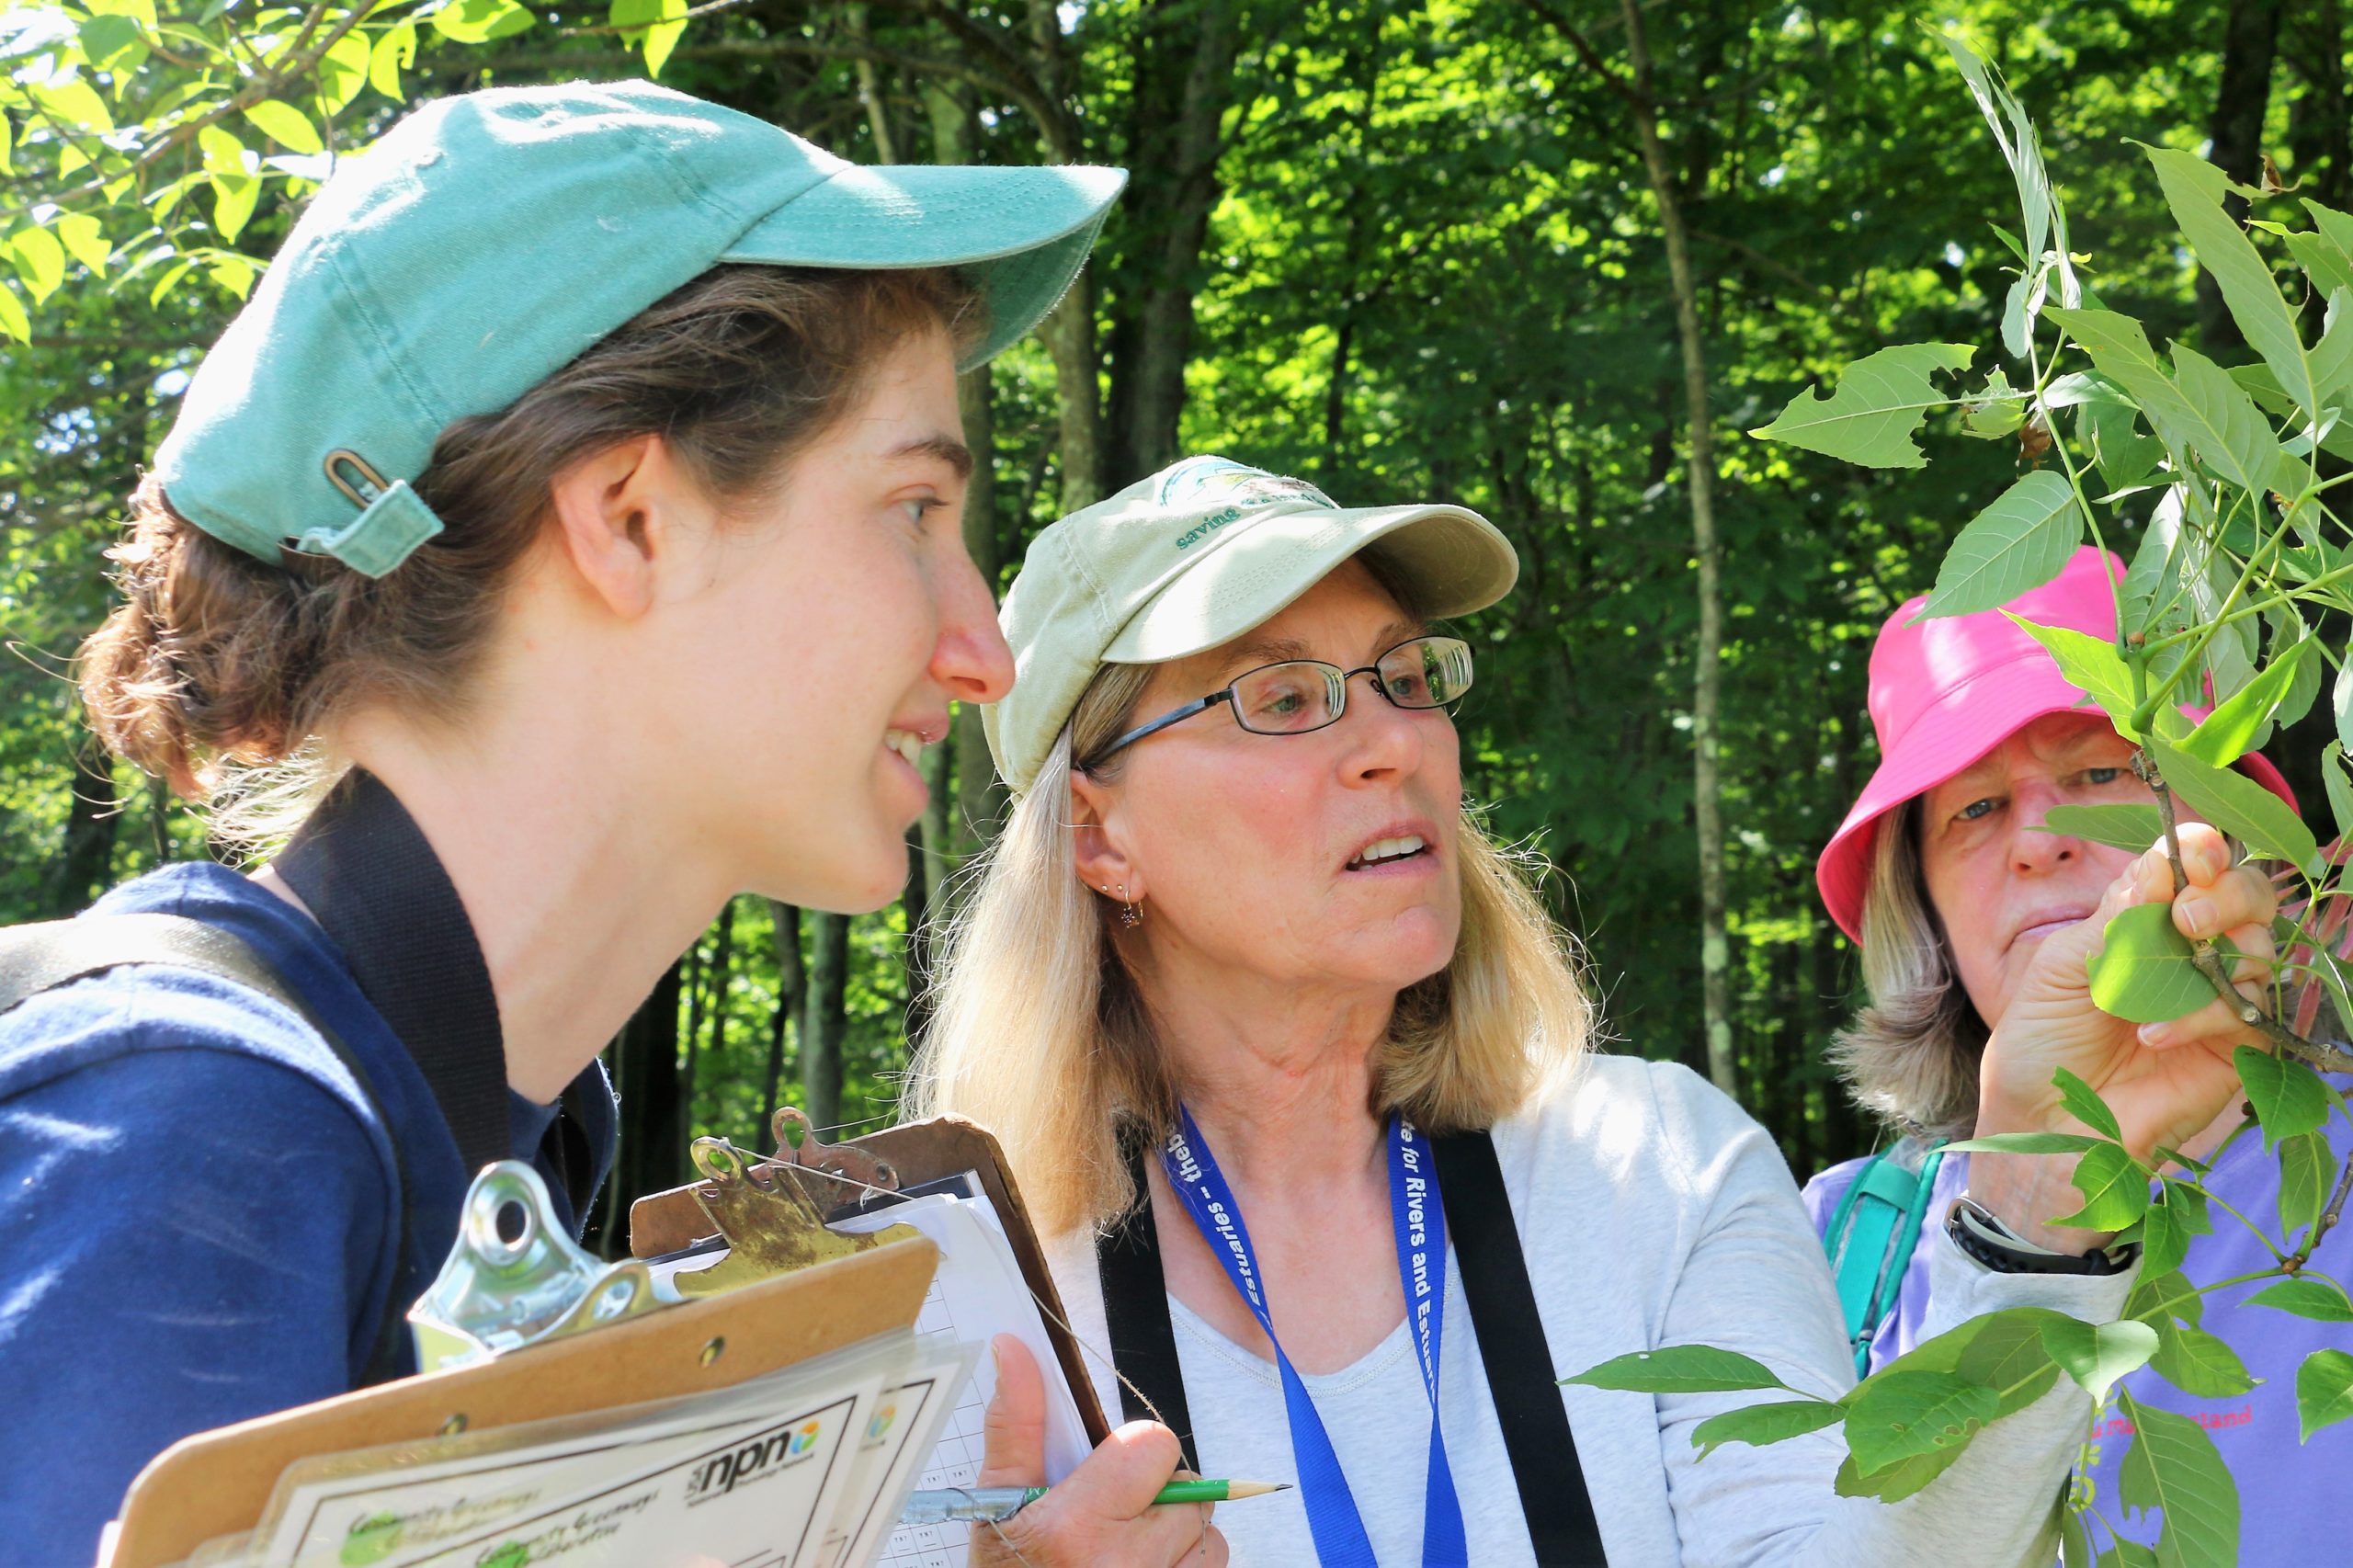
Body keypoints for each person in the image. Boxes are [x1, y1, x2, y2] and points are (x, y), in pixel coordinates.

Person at [0, 80, 1122, 1563]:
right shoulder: (197, 1147)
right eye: (916, 508)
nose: (986, 650)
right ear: (627, 519)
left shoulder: (452, 1145)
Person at [907, 460, 2271, 1566]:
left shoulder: (1657, 1167)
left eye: (1399, 672)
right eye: (1279, 697)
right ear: (1095, 836)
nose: (1391, 738)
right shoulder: (962, 1311)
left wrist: (2036, 1204)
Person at [1802, 544, 2351, 1560]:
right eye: (1971, 806)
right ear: (1922, 908)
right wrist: (2028, 1211)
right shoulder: (1829, 1247)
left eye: (2101, 770)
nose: (2038, 836)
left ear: (2231, 831)